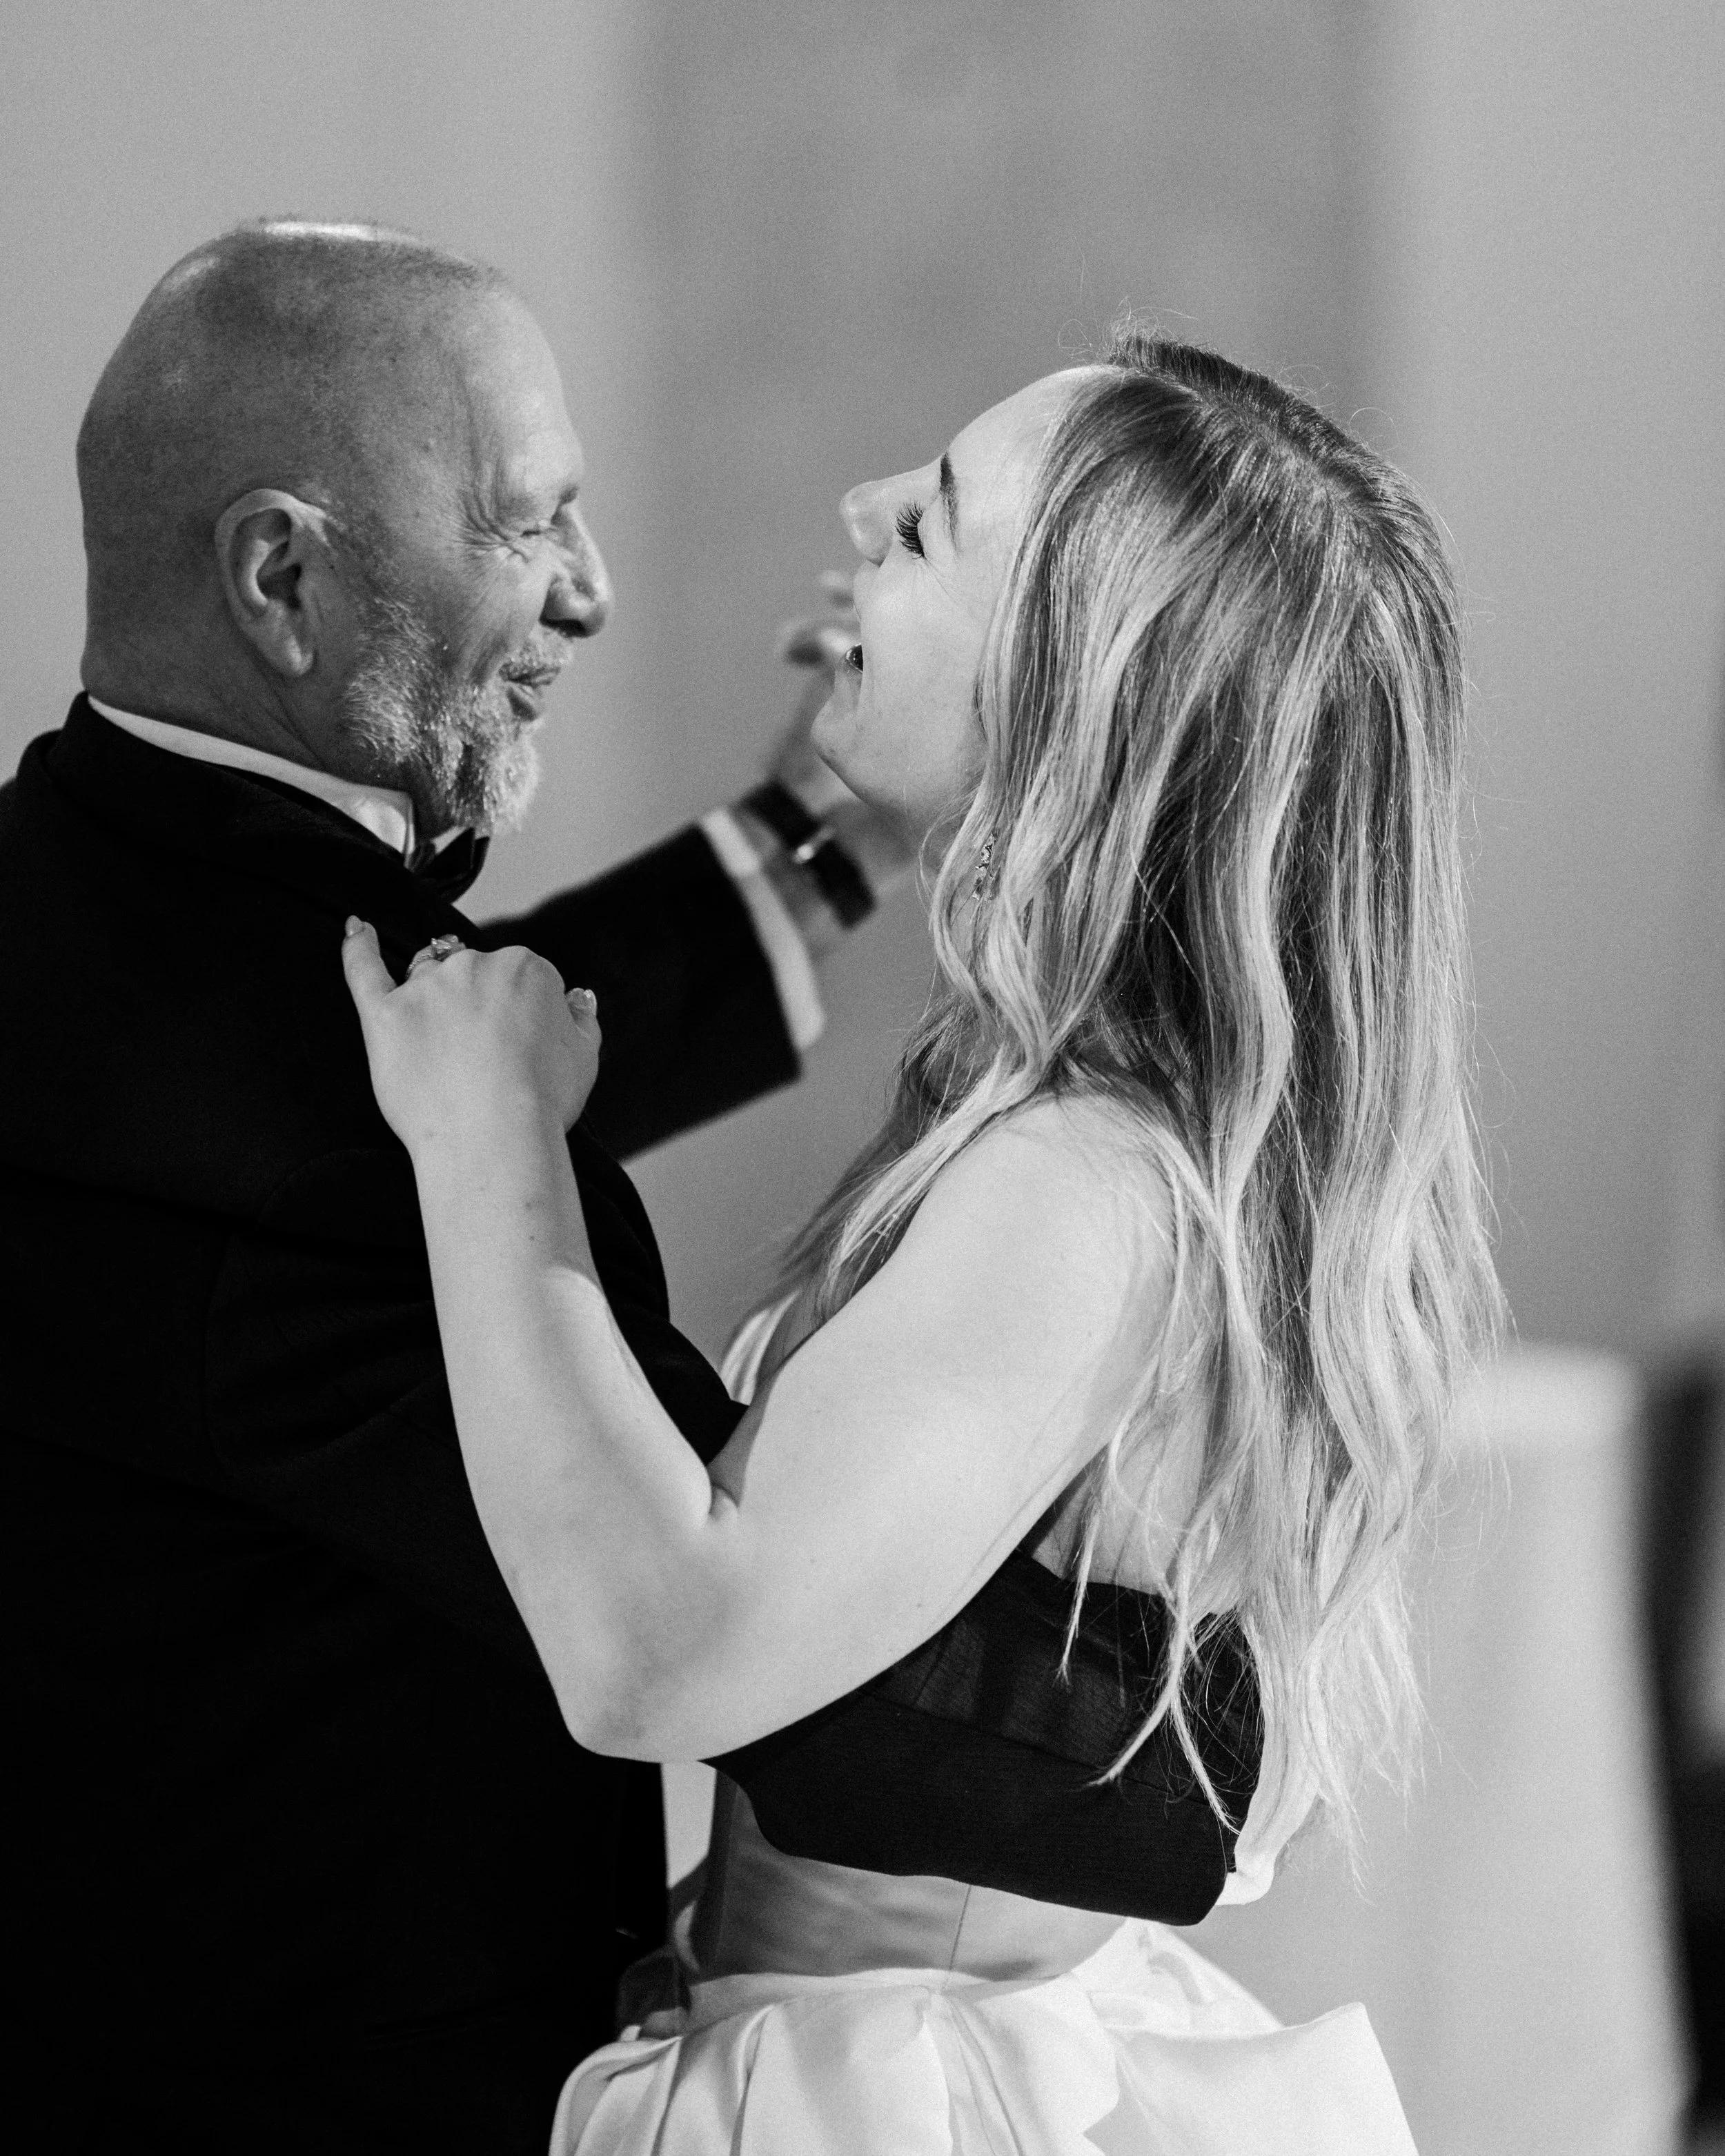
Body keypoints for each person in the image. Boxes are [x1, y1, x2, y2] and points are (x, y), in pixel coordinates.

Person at [0, 223, 1230, 2155]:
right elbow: (769, 1642)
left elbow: (473, 1049)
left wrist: (822, 838)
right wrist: (1216, 1750)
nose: (590, 593)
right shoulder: (285, 1117)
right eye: (525, 526)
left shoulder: (102, 902)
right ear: (282, 575)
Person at [346, 330, 1502, 2153]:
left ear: (1073, 683)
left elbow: (663, 1651)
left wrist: (492, 1141)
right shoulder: (1074, 1117)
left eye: (934, 524)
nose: (861, 507)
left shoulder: (1090, 1176)